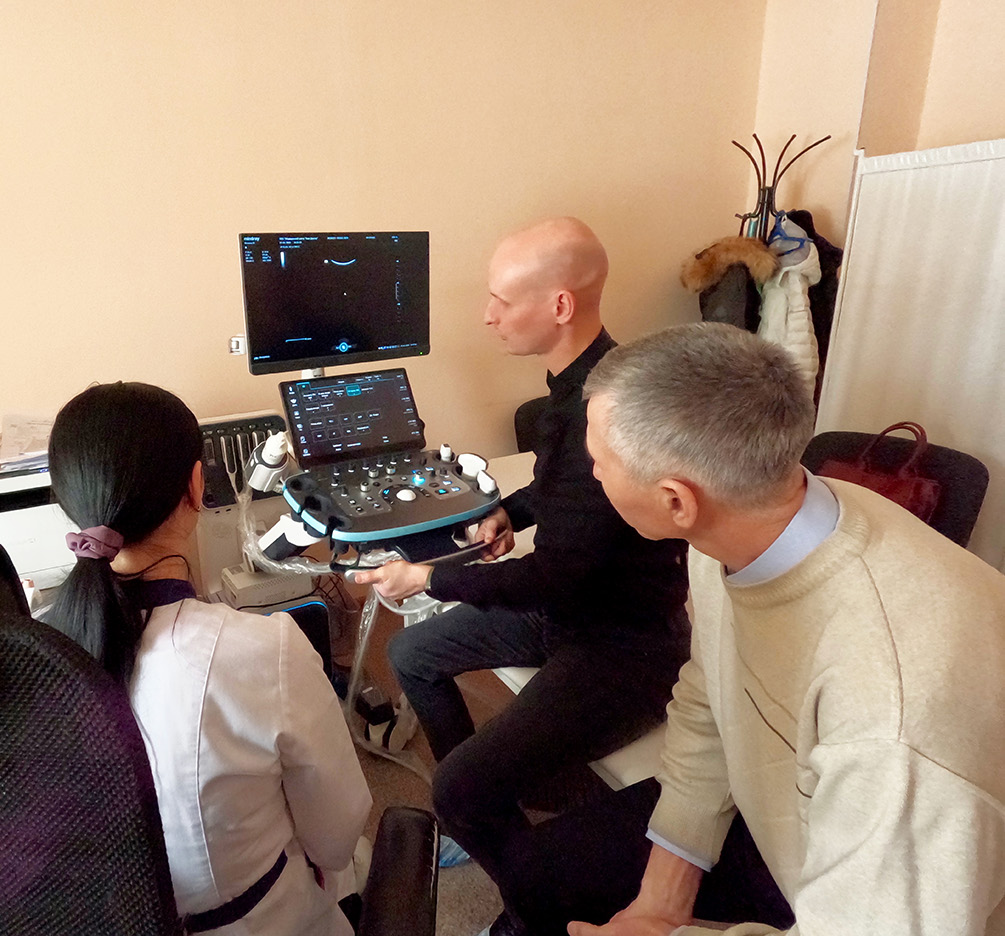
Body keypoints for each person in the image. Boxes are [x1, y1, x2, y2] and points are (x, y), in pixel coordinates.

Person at [505, 321, 1005, 935]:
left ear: (675, 500)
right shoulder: (738, 526)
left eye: (598, 464)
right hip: (786, 812)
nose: (594, 476)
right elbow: (712, 690)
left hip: (878, 881)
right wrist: (661, 901)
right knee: (536, 872)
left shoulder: (891, 725)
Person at [353, 218, 690, 929]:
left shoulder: (609, 406)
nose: (487, 315)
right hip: (567, 611)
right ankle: (483, 810)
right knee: (411, 653)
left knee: (457, 785)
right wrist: (509, 509)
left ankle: (530, 908)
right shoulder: (573, 389)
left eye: (501, 300)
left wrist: (428, 579)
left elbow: (551, 578)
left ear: (559, 305)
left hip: (622, 645)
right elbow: (559, 488)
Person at [43, 382, 372, 936]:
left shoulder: (35, 653)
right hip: (263, 924)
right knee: (357, 856)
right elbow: (335, 838)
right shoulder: (266, 651)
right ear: (196, 487)